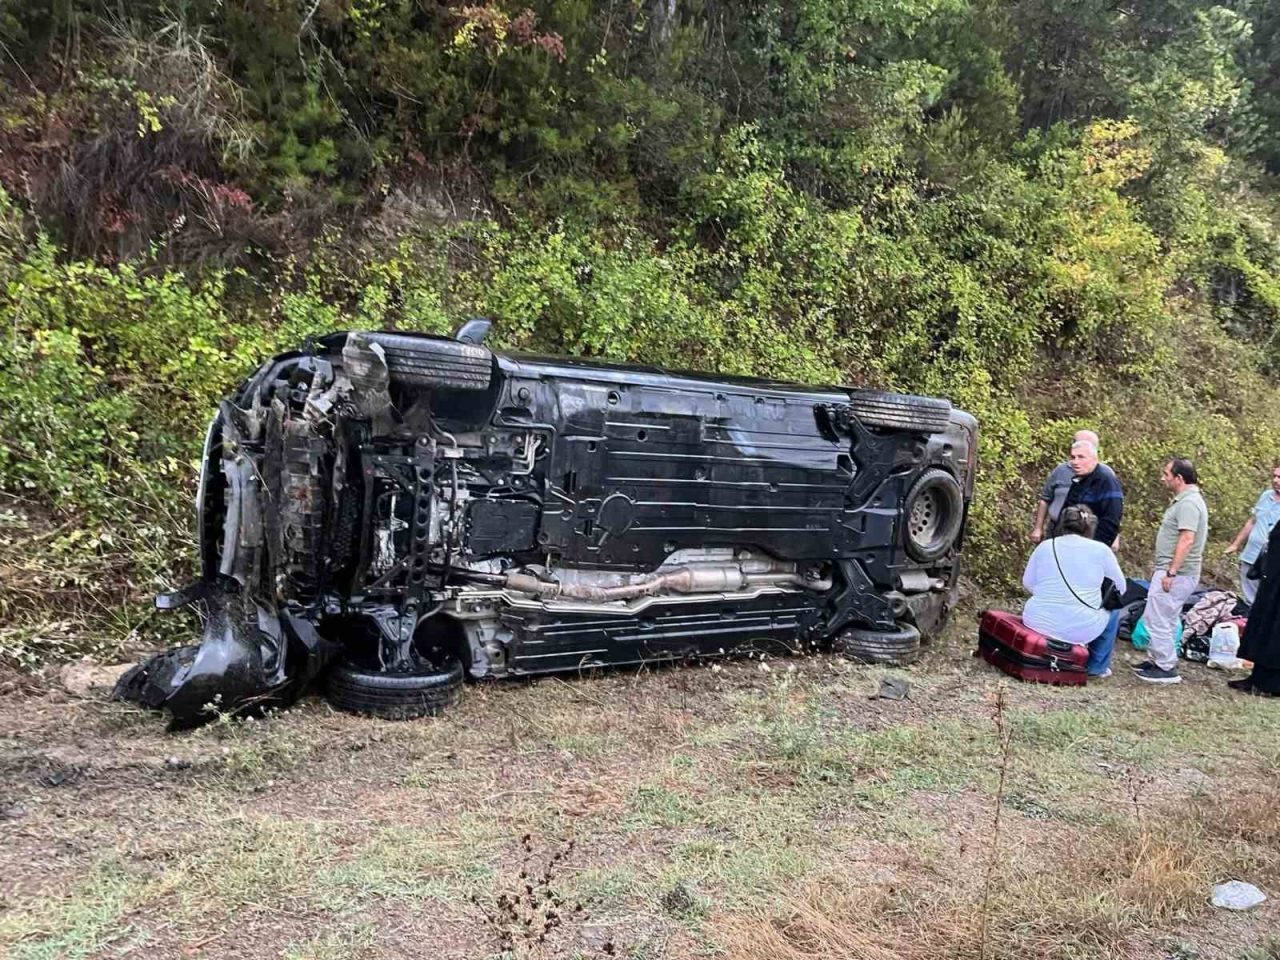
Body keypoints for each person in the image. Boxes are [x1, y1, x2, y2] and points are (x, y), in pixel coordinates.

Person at [1021, 505, 1125, 678]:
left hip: (1036, 621)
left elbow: (1028, 583)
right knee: (1113, 610)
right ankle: (1097, 667)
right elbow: (1120, 588)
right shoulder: (1101, 550)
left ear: (1062, 523)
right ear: (1090, 526)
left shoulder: (1045, 546)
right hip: (1081, 629)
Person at [1133, 458, 1209, 685]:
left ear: (1179, 478)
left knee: (1159, 618)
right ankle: (1157, 660)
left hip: (1177, 573)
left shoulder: (1189, 503)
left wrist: (1172, 571)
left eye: (1166, 474)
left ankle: (1165, 667)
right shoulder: (1184, 500)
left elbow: (1187, 539)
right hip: (1172, 571)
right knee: (1161, 616)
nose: (1162, 478)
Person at [1031, 431, 1123, 547]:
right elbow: (1066, 512)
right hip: (1066, 540)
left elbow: (1112, 518)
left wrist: (1096, 547)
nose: (1075, 462)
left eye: (1081, 457)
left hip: (1091, 543)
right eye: (1073, 457)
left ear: (1094, 457)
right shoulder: (1078, 478)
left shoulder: (1106, 480)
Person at [1230, 515, 1280, 696]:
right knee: (1263, 624)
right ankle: (1257, 678)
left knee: (1275, 630)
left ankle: (1272, 684)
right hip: (1272, 578)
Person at [1224, 464, 1280, 606]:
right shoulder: (1266, 496)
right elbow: (1253, 521)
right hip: (1250, 555)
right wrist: (1236, 544)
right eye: (1274, 476)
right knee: (1249, 598)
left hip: (1272, 561)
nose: (1275, 480)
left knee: (1267, 600)